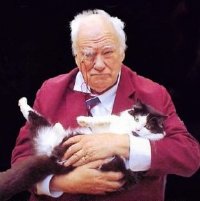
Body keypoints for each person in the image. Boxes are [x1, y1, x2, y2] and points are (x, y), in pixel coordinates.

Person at [11, 9, 200, 201]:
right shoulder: (51, 91)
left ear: (122, 53)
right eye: (88, 54)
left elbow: (188, 155)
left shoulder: (152, 93)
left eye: (108, 52)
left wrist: (121, 144)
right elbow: (21, 159)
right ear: (76, 57)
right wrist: (61, 183)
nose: (99, 64)